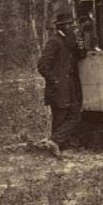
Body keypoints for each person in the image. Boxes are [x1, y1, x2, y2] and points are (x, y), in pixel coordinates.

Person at [37, 11, 84, 152]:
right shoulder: (55, 41)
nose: (72, 27)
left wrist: (80, 46)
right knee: (60, 117)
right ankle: (56, 144)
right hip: (59, 87)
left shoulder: (69, 41)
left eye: (72, 24)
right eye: (69, 25)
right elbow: (42, 65)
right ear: (62, 27)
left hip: (69, 86)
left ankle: (55, 142)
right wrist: (55, 81)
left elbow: (80, 55)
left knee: (75, 115)